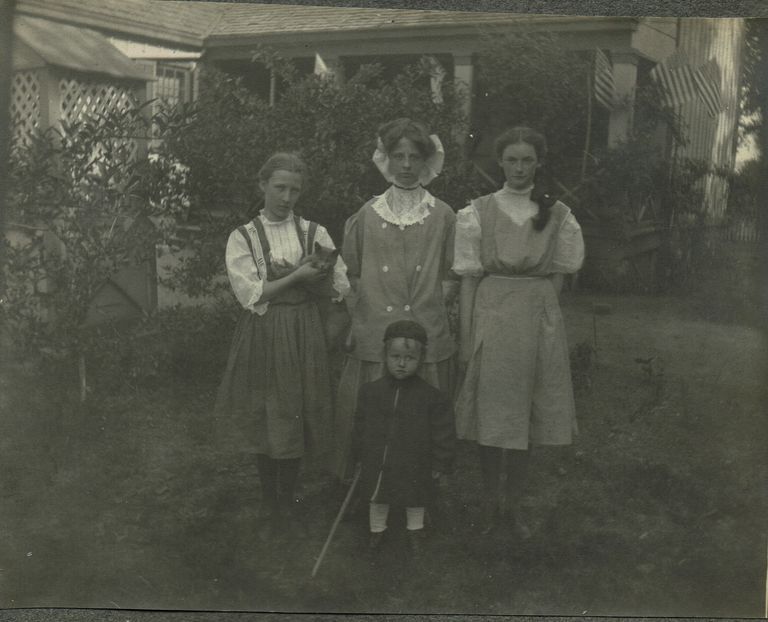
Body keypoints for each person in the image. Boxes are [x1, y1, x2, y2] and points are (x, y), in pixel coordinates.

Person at [453, 127, 585, 539]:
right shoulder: (477, 212)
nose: (520, 168)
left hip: (536, 319)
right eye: (512, 159)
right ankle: (491, 503)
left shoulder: (558, 214)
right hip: (492, 315)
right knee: (492, 415)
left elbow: (560, 276)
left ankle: (514, 506)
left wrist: (545, 323)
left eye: (528, 160)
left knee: (525, 418)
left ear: (538, 163)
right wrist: (467, 336)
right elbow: (469, 280)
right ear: (500, 162)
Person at [214, 152, 350, 539]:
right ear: (262, 186)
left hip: (304, 328)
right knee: (266, 410)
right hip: (264, 329)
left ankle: (286, 500)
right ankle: (269, 501)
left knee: (294, 409)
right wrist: (299, 276)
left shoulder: (314, 233)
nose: (287, 197)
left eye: (294, 189)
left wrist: (313, 278)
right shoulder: (243, 236)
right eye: (279, 188)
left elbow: (339, 287)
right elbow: (252, 294)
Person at [335, 118, 457, 481]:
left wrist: (435, 306)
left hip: (425, 331)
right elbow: (351, 273)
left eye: (414, 156)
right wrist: (360, 317)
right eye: (398, 156)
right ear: (385, 159)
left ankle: (420, 490)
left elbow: (453, 273)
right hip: (377, 331)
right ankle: (366, 488)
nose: (406, 165)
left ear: (427, 161)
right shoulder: (367, 215)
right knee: (373, 418)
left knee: (421, 419)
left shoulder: (444, 216)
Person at [352, 320, 455, 555]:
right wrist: (358, 456)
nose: (401, 363)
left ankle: (415, 530)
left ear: (420, 360)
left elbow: (443, 434)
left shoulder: (431, 397)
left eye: (409, 358)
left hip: (415, 460)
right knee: (378, 494)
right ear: (385, 355)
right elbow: (360, 427)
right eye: (395, 356)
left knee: (415, 494)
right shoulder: (371, 392)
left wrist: (440, 463)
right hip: (379, 460)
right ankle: (377, 531)